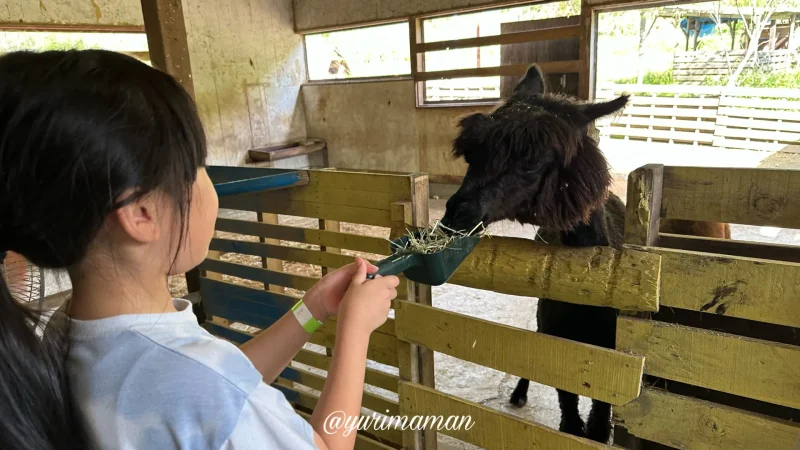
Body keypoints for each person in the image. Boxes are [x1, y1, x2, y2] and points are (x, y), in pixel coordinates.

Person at [0, 49, 399, 450]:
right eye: (198, 166)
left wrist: (311, 309)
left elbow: (223, 388)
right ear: (141, 213)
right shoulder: (197, 380)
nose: (205, 183)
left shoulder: (65, 334)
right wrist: (355, 330)